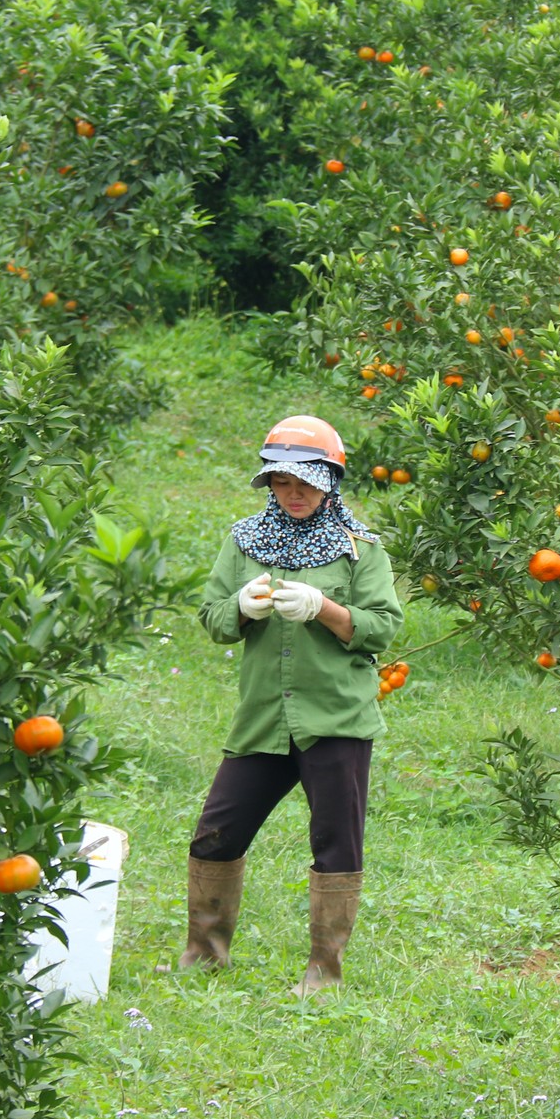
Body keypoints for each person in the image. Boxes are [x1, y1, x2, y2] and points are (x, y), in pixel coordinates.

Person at [179, 415, 404, 995]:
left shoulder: (360, 550)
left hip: (335, 719)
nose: (294, 493)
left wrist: (324, 608)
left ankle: (323, 972)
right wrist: (241, 607)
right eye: (280, 482)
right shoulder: (244, 541)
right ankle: (203, 954)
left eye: (305, 481)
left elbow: (381, 628)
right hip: (263, 717)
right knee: (216, 834)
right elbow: (212, 618)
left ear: (331, 479)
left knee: (335, 844)